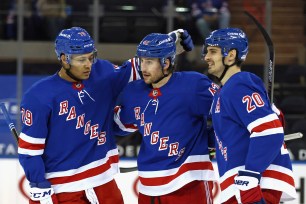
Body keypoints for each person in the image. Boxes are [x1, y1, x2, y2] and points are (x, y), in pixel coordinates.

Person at [17, 26, 194, 204]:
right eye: (81, 60)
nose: (88, 64)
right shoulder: (39, 96)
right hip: (62, 189)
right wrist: (38, 183)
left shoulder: (101, 72)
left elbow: (138, 69)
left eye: (90, 57)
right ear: (64, 59)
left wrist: (169, 45)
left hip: (103, 184)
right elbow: (29, 150)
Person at [114, 33, 219, 204]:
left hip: (189, 184)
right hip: (149, 188)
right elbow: (118, 125)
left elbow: (228, 110)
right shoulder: (134, 93)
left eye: (149, 62)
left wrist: (214, 139)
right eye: (141, 61)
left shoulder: (193, 85)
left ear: (166, 63)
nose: (143, 68)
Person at [203, 27, 297, 203]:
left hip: (253, 182)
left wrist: (251, 174)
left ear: (231, 55)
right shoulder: (223, 93)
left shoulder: (239, 84)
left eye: (213, 51)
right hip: (239, 182)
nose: (206, 57)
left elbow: (270, 132)